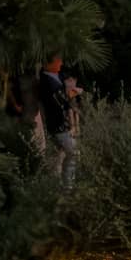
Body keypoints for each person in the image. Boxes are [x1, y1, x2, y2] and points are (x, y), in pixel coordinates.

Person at [37, 54, 81, 190]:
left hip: (65, 122)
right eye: (58, 60)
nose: (61, 63)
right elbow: (59, 101)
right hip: (57, 124)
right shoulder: (46, 81)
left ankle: (58, 186)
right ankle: (68, 186)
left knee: (60, 155)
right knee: (72, 152)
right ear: (49, 63)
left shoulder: (57, 76)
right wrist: (72, 94)